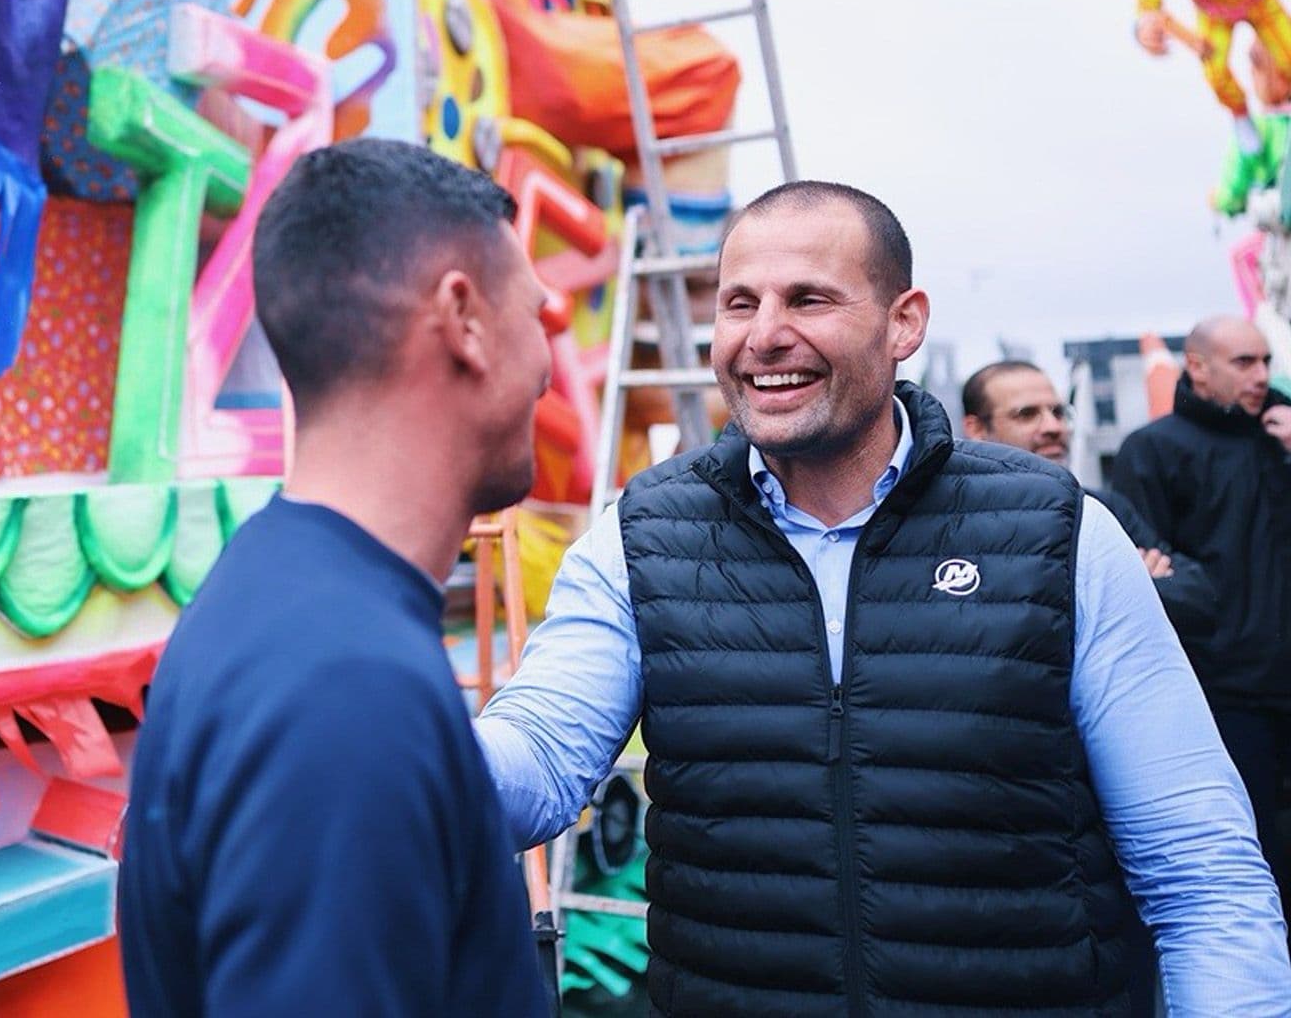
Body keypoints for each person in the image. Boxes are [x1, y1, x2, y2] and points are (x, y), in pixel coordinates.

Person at [477, 181, 1291, 1014]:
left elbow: (1201, 871)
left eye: (809, 299)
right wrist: (404, 717)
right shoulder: (641, 537)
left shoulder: (1059, 532)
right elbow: (537, 761)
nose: (764, 334)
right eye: (739, 303)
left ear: (905, 322)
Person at [118, 139, 554, 1017]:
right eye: (537, 314)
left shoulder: (272, 590)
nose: (548, 363)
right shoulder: (349, 687)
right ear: (463, 318)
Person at [1111, 314, 1291, 907]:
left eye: (1265, 361)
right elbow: (1147, 573)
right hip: (1220, 692)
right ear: (1198, 367)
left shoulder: (1279, 438)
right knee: (1246, 856)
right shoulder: (1153, 449)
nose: (1261, 375)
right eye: (1244, 362)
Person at [961, 360, 1216, 640]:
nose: (1054, 427)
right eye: (1027, 414)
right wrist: (1125, 579)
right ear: (976, 429)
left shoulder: (1100, 507)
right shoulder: (955, 518)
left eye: (1059, 412)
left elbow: (1197, 598)